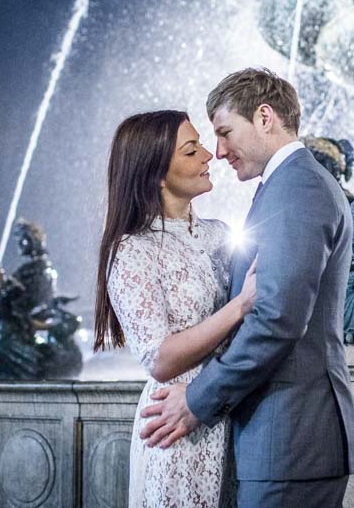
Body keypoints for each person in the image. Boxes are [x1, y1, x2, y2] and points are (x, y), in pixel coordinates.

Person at [139, 68, 354, 508]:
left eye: (225, 132)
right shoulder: (289, 185)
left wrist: (197, 401)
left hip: (289, 440)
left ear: (265, 117)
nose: (218, 151)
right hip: (286, 440)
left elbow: (277, 319)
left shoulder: (297, 187)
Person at [94, 110, 258, 508]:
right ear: (157, 175)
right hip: (177, 426)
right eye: (191, 150)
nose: (209, 155)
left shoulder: (220, 234)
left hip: (231, 411)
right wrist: (238, 307)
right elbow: (159, 359)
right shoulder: (133, 250)